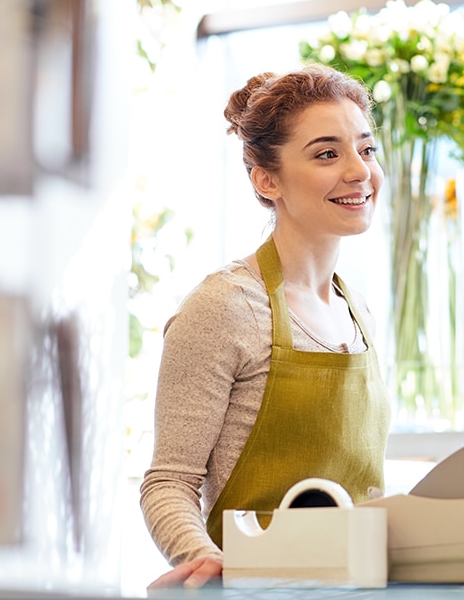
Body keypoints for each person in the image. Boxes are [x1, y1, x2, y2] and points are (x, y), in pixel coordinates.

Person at [139, 64, 390, 589]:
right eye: (327, 153)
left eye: (366, 149)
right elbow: (169, 482)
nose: (359, 171)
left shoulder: (358, 311)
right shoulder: (224, 308)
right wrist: (204, 559)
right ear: (266, 179)